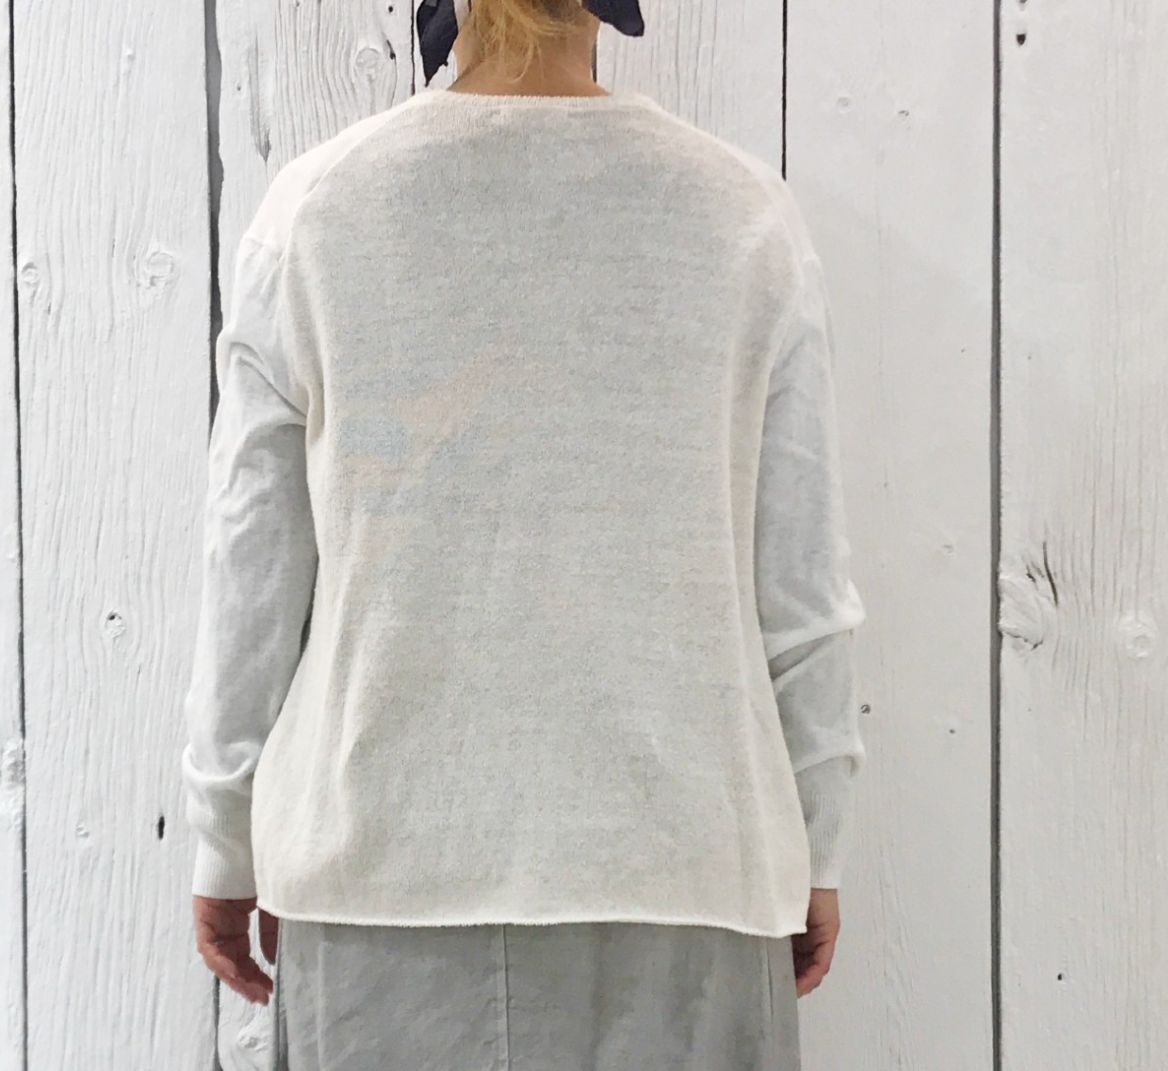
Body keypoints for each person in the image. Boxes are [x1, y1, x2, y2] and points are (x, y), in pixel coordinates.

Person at [180, 0, 868, 1067]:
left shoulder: (317, 212)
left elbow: (253, 573)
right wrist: (813, 844)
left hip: (378, 890)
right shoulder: (739, 218)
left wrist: (224, 837)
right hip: (685, 882)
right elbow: (802, 591)